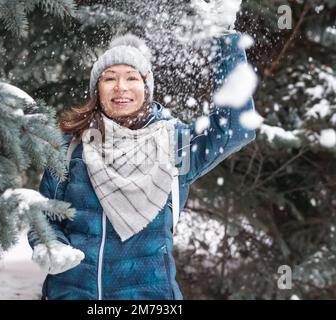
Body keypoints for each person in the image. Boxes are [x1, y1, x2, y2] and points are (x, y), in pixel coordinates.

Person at [28, 1, 255, 300]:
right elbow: (44, 214)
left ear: (147, 88)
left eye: (132, 77)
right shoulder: (70, 146)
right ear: (97, 90)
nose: (121, 87)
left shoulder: (175, 145)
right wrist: (49, 244)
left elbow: (235, 129)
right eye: (109, 78)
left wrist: (226, 41)